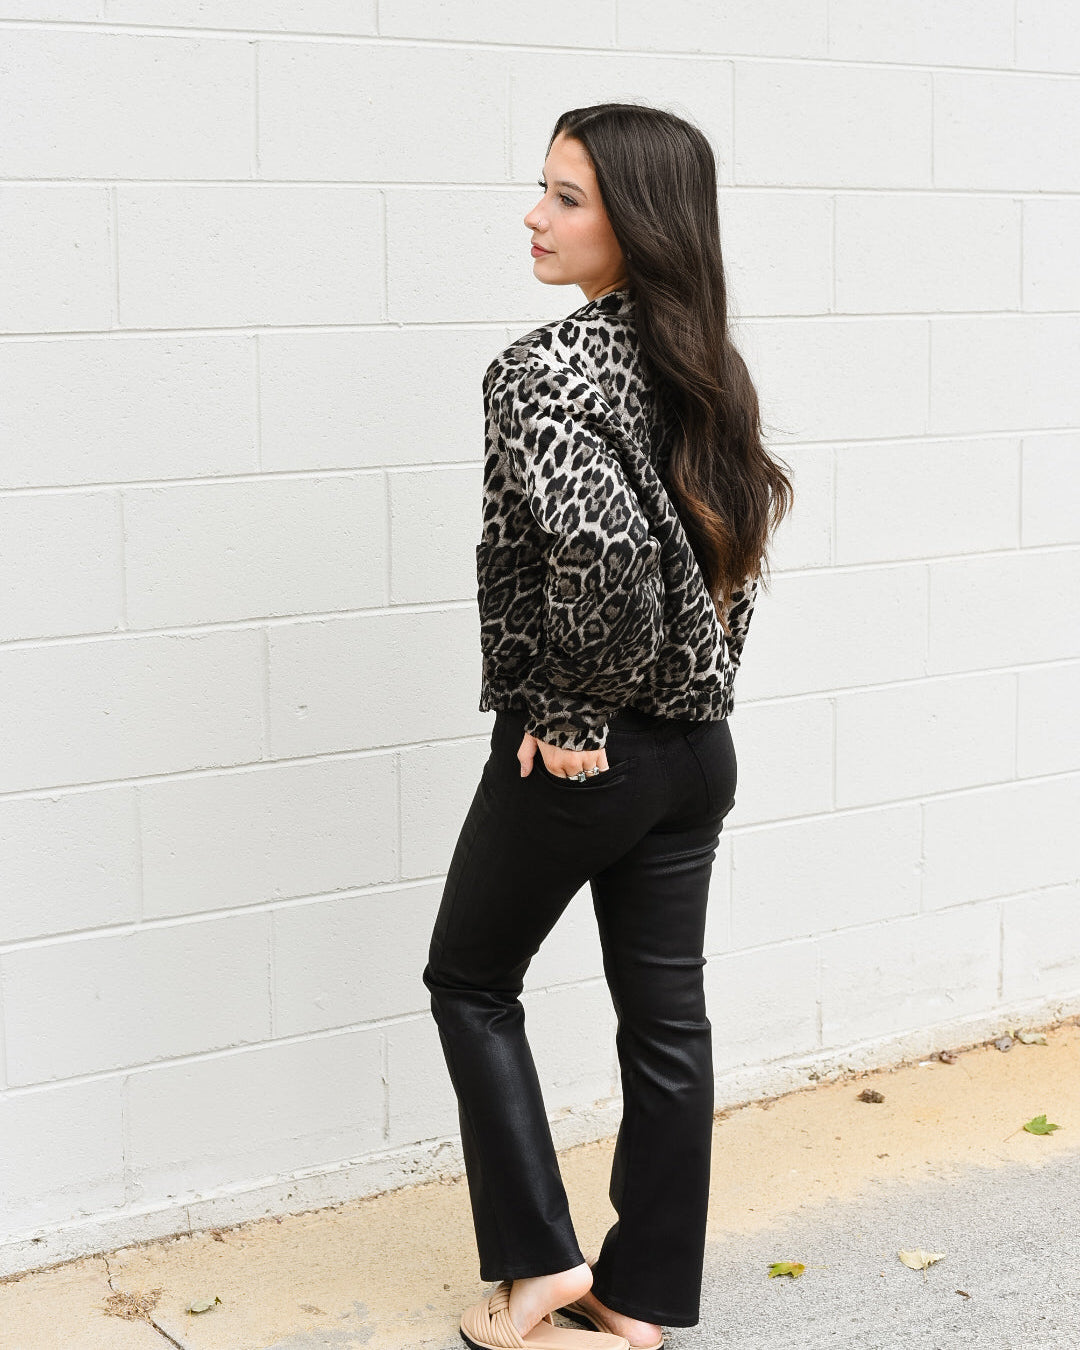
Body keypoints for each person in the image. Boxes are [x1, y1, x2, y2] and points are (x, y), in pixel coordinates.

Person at [423, 102, 794, 1350]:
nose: (535, 215)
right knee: (668, 1023)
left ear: (640, 220)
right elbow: (727, 570)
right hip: (695, 752)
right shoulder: (708, 370)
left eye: (567, 196)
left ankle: (537, 1267)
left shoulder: (546, 370)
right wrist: (689, 698)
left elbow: (599, 555)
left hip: (586, 750)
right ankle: (640, 1299)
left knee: (470, 981)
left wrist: (573, 712)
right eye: (543, 189)